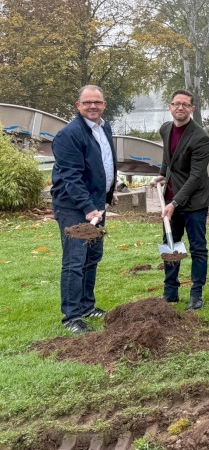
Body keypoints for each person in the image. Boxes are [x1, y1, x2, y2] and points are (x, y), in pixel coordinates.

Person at [50, 85, 116, 333]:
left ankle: (87, 306)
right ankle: (71, 316)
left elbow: (104, 162)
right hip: (74, 207)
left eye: (97, 102)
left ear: (104, 105)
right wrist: (88, 208)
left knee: (92, 256)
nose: (92, 106)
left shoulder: (104, 127)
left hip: (96, 205)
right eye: (87, 102)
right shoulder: (69, 135)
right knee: (75, 260)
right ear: (78, 106)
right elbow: (71, 177)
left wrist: (108, 193)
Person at [151, 89, 209, 310]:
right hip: (171, 197)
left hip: (195, 201)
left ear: (192, 109)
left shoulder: (201, 138)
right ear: (170, 106)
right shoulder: (165, 129)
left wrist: (175, 203)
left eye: (185, 104)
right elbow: (168, 157)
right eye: (176, 103)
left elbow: (196, 177)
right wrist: (162, 174)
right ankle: (170, 292)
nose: (180, 107)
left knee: (198, 247)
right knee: (171, 243)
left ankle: (196, 294)